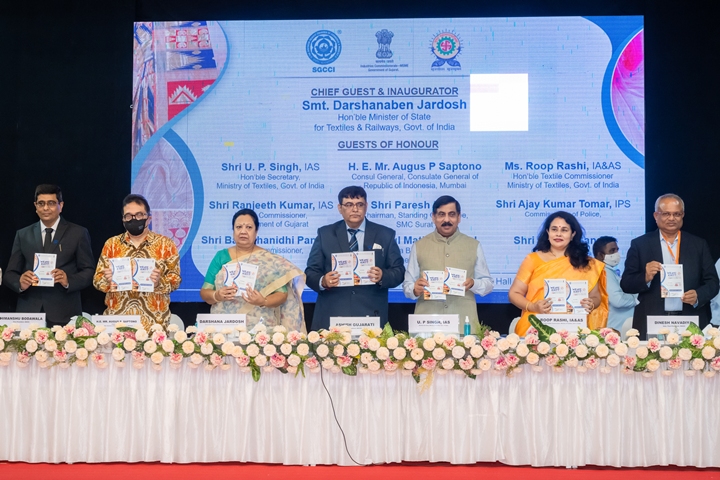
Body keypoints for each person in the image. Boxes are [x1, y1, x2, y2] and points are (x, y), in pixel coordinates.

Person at [305, 186, 405, 330]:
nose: (355, 209)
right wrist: (323, 281)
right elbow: (310, 272)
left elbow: (399, 271)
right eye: (349, 205)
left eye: (360, 204)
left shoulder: (385, 234)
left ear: (366, 206)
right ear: (340, 208)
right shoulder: (325, 234)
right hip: (334, 313)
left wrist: (383, 276)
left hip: (371, 315)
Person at [620, 194, 719, 338]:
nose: (672, 218)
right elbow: (626, 284)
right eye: (666, 214)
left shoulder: (698, 244)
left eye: (676, 214)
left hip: (689, 318)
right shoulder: (640, 244)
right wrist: (645, 277)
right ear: (656, 216)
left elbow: (713, 282)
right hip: (653, 319)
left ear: (682, 215)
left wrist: (698, 295)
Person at [4, 184, 95, 327]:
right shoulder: (23, 234)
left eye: (51, 203)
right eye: (41, 203)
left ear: (61, 205)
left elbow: (89, 271)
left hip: (65, 312)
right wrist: (20, 282)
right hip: (29, 313)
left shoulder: (78, 233)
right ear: (35, 206)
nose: (46, 208)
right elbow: (9, 274)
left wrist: (68, 280)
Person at [200, 209, 306, 331]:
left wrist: (263, 301)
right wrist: (217, 295)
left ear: (256, 232)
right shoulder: (221, 256)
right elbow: (205, 292)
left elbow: (282, 294)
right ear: (233, 231)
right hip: (224, 328)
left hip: (260, 328)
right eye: (238, 227)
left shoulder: (268, 260)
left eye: (249, 227)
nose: (243, 231)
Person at [402, 195, 493, 334]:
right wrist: (414, 289)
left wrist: (473, 284)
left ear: (459, 217)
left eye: (452, 214)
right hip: (427, 328)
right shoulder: (419, 246)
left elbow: (488, 284)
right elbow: (407, 286)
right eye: (441, 214)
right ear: (433, 217)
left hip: (463, 326)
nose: (446, 220)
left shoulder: (473, 245)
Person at [508, 211, 608, 336]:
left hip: (574, 328)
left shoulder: (587, 263)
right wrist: (533, 306)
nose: (558, 234)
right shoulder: (532, 260)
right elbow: (514, 293)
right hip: (537, 327)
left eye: (564, 230)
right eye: (554, 229)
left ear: (573, 234)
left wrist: (591, 303)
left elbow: (596, 297)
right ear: (547, 232)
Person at [93, 194, 181, 331]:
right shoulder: (111, 244)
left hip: (154, 324)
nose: (134, 219)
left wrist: (159, 282)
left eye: (139, 215)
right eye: (129, 216)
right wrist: (107, 280)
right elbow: (97, 280)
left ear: (149, 218)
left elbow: (176, 280)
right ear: (123, 220)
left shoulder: (166, 244)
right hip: (117, 323)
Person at [593, 236, 637, 332]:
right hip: (615, 329)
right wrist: (638, 298)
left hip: (618, 327)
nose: (616, 254)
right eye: (612, 251)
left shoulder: (609, 271)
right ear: (600, 255)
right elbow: (618, 300)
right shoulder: (604, 272)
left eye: (617, 250)